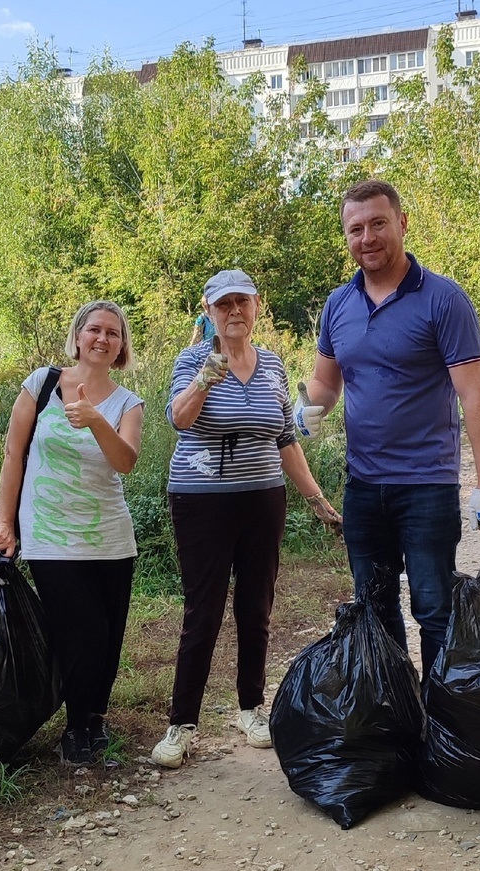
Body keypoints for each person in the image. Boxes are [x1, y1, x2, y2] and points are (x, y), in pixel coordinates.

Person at [294, 179, 480, 676]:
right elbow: (327, 384)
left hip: (426, 486)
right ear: (346, 237)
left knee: (434, 608)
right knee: (374, 607)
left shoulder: (443, 299)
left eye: (377, 224)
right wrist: (309, 407)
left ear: (402, 224)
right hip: (364, 486)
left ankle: (438, 718)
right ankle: (395, 707)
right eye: (355, 229)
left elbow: (474, 394)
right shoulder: (338, 304)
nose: (367, 237)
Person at [152, 269, 342, 769]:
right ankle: (181, 723)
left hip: (263, 498)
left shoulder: (274, 365)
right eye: (224, 303)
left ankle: (251, 708)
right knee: (204, 610)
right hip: (201, 500)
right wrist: (202, 380)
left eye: (243, 302)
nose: (234, 310)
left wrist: (318, 500)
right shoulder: (192, 358)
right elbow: (178, 419)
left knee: (256, 607)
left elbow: (285, 437)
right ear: (209, 311)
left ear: (257, 307)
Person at [0, 300, 145, 768]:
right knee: (82, 631)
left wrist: (97, 420)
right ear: (77, 337)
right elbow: (13, 455)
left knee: (109, 633)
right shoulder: (41, 384)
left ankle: (94, 718)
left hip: (110, 538)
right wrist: (5, 521)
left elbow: (126, 463)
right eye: (94, 330)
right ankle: (74, 726)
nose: (102, 339)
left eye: (112, 334)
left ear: (120, 348)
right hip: (50, 535)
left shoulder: (127, 403)